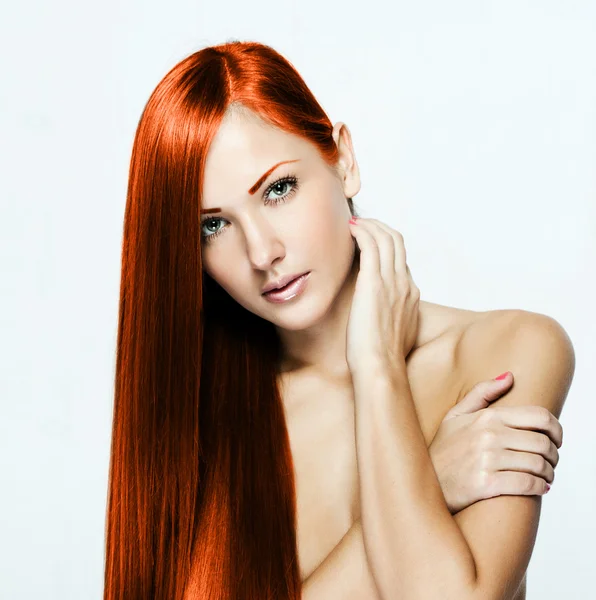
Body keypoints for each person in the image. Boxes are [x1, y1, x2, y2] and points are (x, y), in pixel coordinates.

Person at [103, 40, 575, 600]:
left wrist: (376, 365)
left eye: (278, 189)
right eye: (213, 226)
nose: (261, 252)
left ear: (344, 161)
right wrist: (429, 478)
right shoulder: (202, 418)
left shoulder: (510, 352)